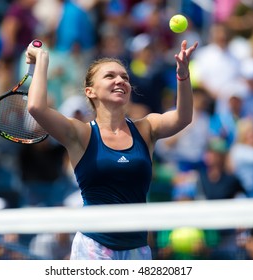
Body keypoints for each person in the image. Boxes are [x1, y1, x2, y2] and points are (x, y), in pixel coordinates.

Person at [25, 39, 198, 260]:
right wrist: (42, 59)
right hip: (94, 247)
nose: (120, 81)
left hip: (137, 247)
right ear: (90, 91)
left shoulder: (146, 128)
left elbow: (183, 117)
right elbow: (36, 107)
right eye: (110, 76)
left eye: (124, 77)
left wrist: (183, 75)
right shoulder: (81, 134)